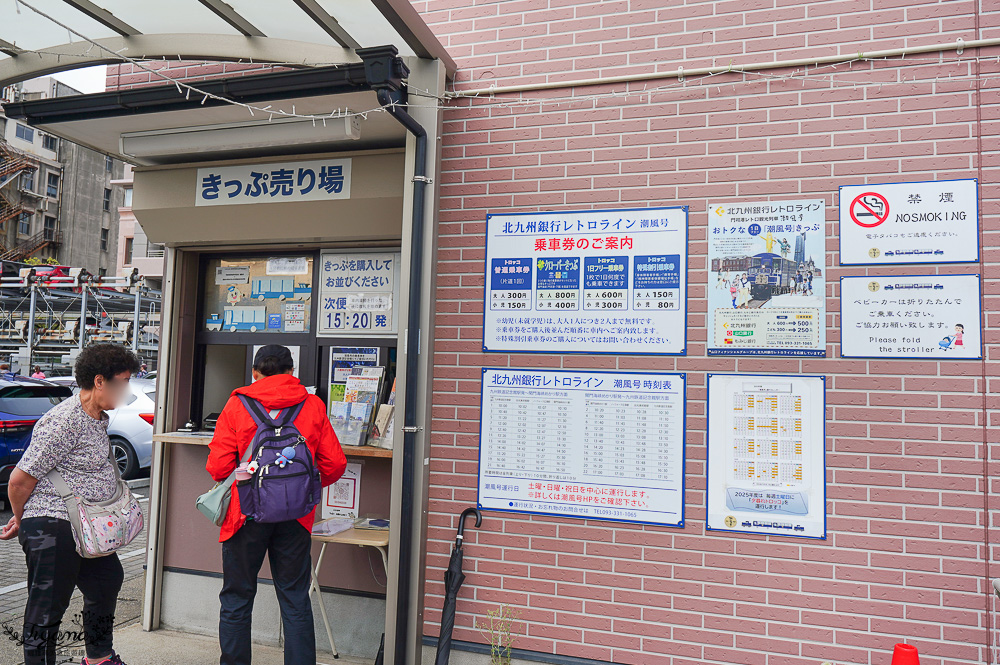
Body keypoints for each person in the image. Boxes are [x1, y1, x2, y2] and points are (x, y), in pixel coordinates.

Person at [0, 343, 140, 665]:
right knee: (47, 608)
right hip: (53, 524)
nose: (127, 390)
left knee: (106, 581)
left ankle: (99, 657)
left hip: (86, 525)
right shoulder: (64, 421)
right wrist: (21, 519)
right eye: (123, 382)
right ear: (100, 381)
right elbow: (19, 481)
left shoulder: (96, 417)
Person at [207, 344, 346, 665]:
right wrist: (302, 489)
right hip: (296, 517)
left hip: (244, 515)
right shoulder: (312, 405)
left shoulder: (237, 404)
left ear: (255, 373)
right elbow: (335, 464)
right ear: (291, 372)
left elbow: (218, 466)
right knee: (295, 597)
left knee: (237, 598)